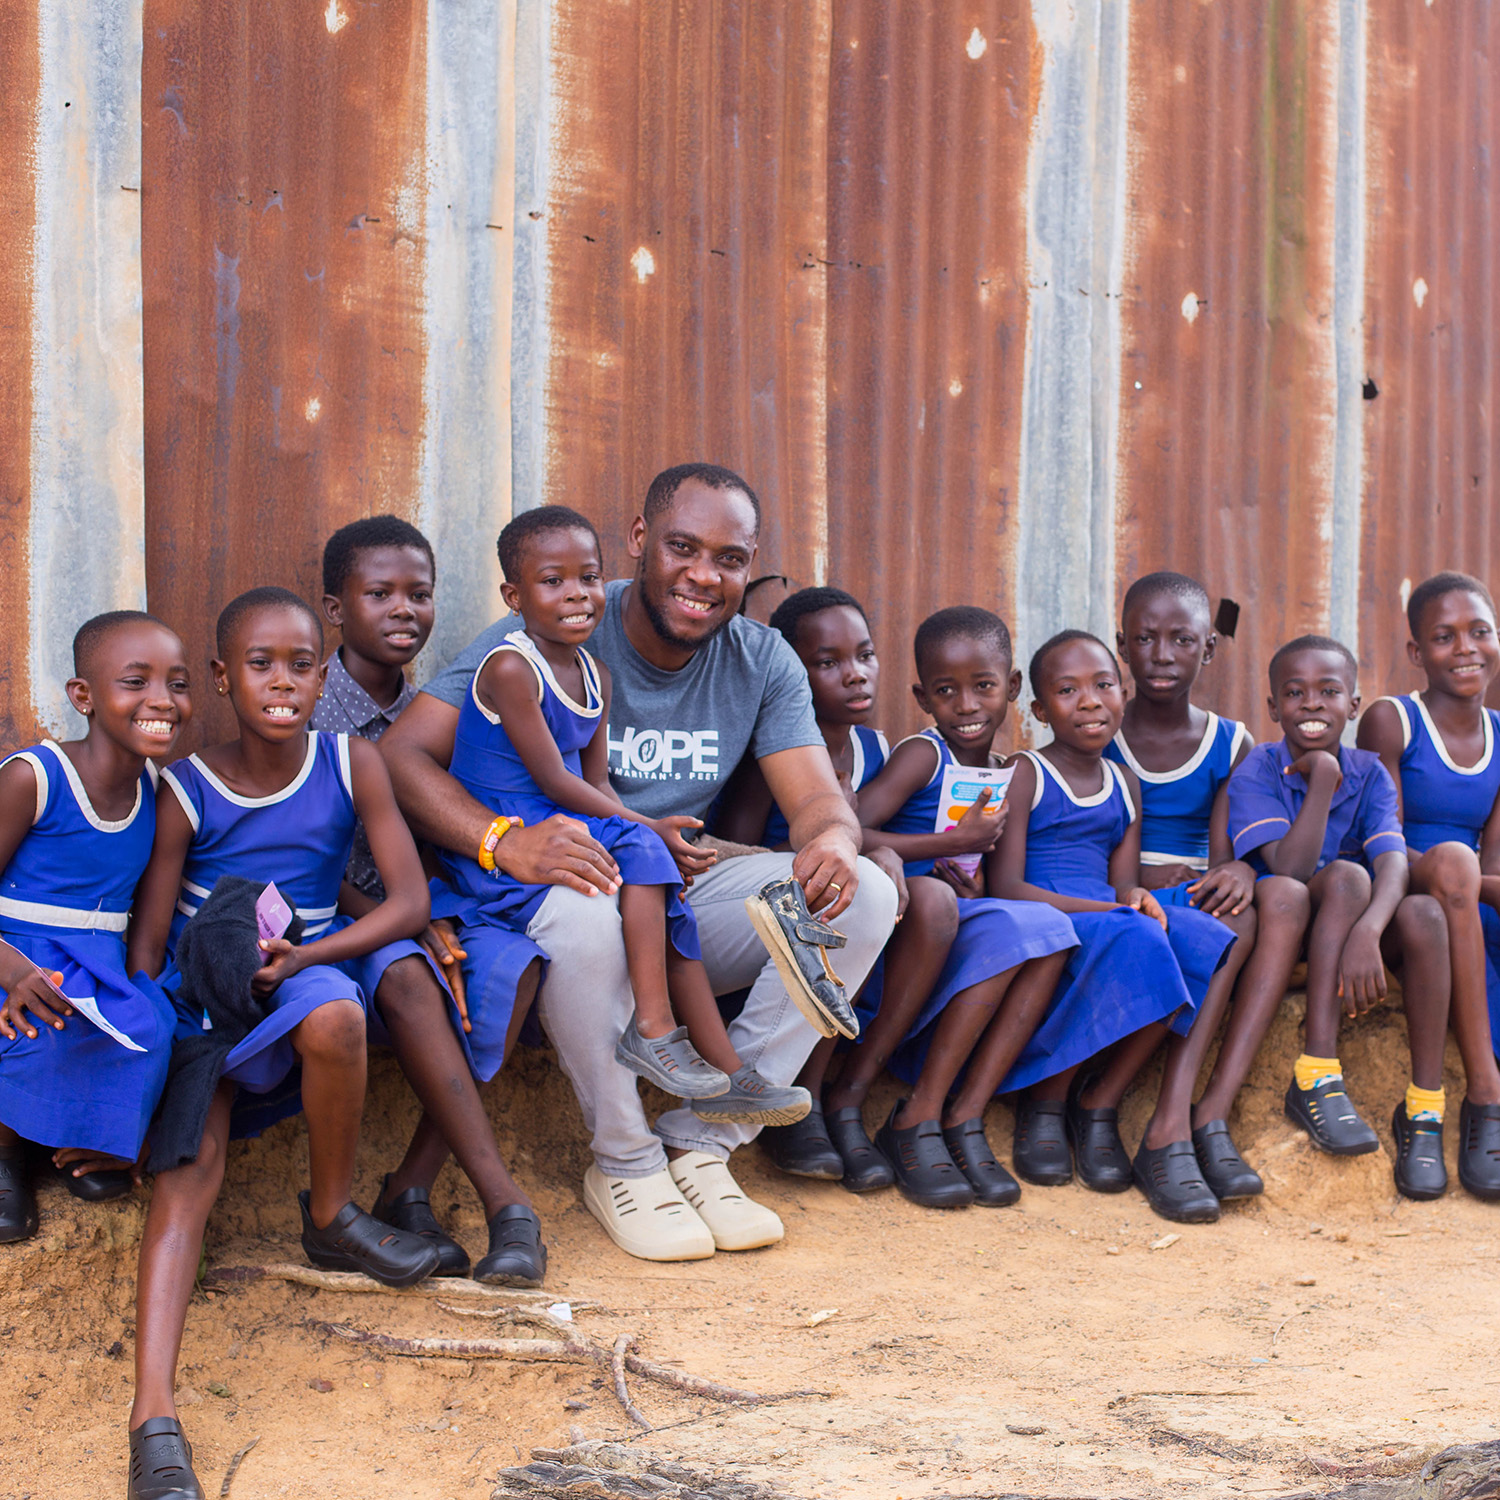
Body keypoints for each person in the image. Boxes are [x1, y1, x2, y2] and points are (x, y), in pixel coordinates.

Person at [381, 464, 898, 1263]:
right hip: (565, 876)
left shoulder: (761, 659)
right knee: (588, 911)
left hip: (675, 885)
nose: (703, 576)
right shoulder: (554, 629)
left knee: (862, 895)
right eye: (682, 548)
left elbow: (819, 805)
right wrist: (501, 840)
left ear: (750, 564)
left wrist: (832, 841)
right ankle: (625, 1163)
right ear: (638, 542)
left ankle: (705, 1143)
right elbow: (402, 756)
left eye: (728, 558)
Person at [124, 587, 441, 1500]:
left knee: (335, 1009)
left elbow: (408, 905)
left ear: (323, 673)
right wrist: (148, 1055)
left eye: (303, 664)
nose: (283, 681)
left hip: (297, 972)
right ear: (223, 678)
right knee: (190, 1175)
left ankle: (332, 1215)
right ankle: (154, 1420)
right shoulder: (185, 787)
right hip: (204, 998)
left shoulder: (354, 763)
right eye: (260, 664)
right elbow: (151, 947)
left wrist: (310, 952)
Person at [433, 505, 809, 1125]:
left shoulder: (595, 674)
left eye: (588, 577)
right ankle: (656, 1029)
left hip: (566, 817)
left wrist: (645, 831)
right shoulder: (508, 666)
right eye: (554, 582)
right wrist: (640, 828)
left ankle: (732, 1073)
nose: (577, 595)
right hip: (511, 836)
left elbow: (597, 780)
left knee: (664, 887)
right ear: (513, 595)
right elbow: (555, 778)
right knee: (646, 853)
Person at [315, 515, 549, 1279]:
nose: (403, 611)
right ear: (335, 609)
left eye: (420, 594)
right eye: (379, 593)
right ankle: (505, 1203)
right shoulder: (302, 712)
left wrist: (433, 913)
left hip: (430, 905)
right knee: (412, 975)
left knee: (516, 966)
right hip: (346, 916)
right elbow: (296, 858)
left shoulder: (435, 716)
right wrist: (400, 921)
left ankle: (410, 1185)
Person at [714, 587, 964, 1192]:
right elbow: (733, 856)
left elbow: (881, 840)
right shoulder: (766, 755)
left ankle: (847, 1096)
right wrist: (867, 854)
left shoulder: (875, 748)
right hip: (770, 929)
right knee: (835, 893)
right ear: (789, 673)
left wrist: (885, 855)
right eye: (827, 663)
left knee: (934, 901)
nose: (855, 675)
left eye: (865, 654)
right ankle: (796, 1099)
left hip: (854, 924)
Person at [989, 631, 1236, 1222]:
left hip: (1109, 918)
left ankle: (1101, 1102)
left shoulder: (1124, 785)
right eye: (1068, 691)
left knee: (1203, 937)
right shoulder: (1026, 771)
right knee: (1137, 933)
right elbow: (1007, 887)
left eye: (1102, 685)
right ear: (1041, 710)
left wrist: (1137, 899)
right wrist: (1118, 911)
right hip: (1047, 915)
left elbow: (1122, 883)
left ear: (1122, 693)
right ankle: (1045, 1101)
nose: (1091, 701)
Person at [852, 607, 1079, 1209]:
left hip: (953, 914)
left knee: (1050, 929)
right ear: (923, 698)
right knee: (1000, 919)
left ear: (1012, 688)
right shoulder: (924, 756)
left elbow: (980, 870)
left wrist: (969, 878)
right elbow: (843, 828)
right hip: (900, 915)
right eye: (947, 691)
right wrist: (944, 846)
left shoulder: (1004, 772)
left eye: (983, 686)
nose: (968, 705)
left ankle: (955, 1112)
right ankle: (903, 1113)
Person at [1103, 572, 1310, 1207]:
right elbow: (1080, 830)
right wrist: (1138, 881)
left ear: (1210, 649)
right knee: (1235, 922)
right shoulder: (1096, 727)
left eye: (1181, 640)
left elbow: (1234, 848)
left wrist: (1244, 868)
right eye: (1144, 638)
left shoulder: (1231, 740)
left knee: (1274, 899)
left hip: (1200, 890)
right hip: (1123, 894)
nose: (1162, 655)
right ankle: (1168, 1128)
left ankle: (1205, 1116)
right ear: (1122, 644)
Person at [1228, 635, 1451, 1200]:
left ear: (1353, 704)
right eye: (1295, 693)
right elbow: (1292, 869)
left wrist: (1370, 932)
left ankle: (1424, 1110)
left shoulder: (1371, 772)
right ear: (1274, 707)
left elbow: (1394, 863)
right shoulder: (1259, 769)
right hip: (1291, 930)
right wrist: (1323, 779)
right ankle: (1317, 1076)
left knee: (1424, 913)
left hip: (1353, 935)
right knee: (1348, 876)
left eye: (1329, 692)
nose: (1311, 704)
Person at [0, 612, 191, 1242]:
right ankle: (7, 1158)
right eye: (136, 682)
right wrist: (12, 969)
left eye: (177, 683)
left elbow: (145, 931)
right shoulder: (35, 777)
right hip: (13, 955)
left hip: (95, 965)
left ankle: (96, 1144)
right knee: (33, 1022)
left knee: (152, 1025)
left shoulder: (157, 793)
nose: (161, 700)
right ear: (83, 696)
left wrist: (140, 991)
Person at [1357, 573, 1500, 1200]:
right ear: (1417, 652)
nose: (1465, 648)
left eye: (1479, 632)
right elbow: (1377, 834)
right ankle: (1481, 1096)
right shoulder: (1393, 720)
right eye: (1444, 637)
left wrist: (1470, 878)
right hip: (1401, 893)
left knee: (1463, 871)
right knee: (1449, 862)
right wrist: (1456, 871)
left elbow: (1492, 860)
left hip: (1470, 896)